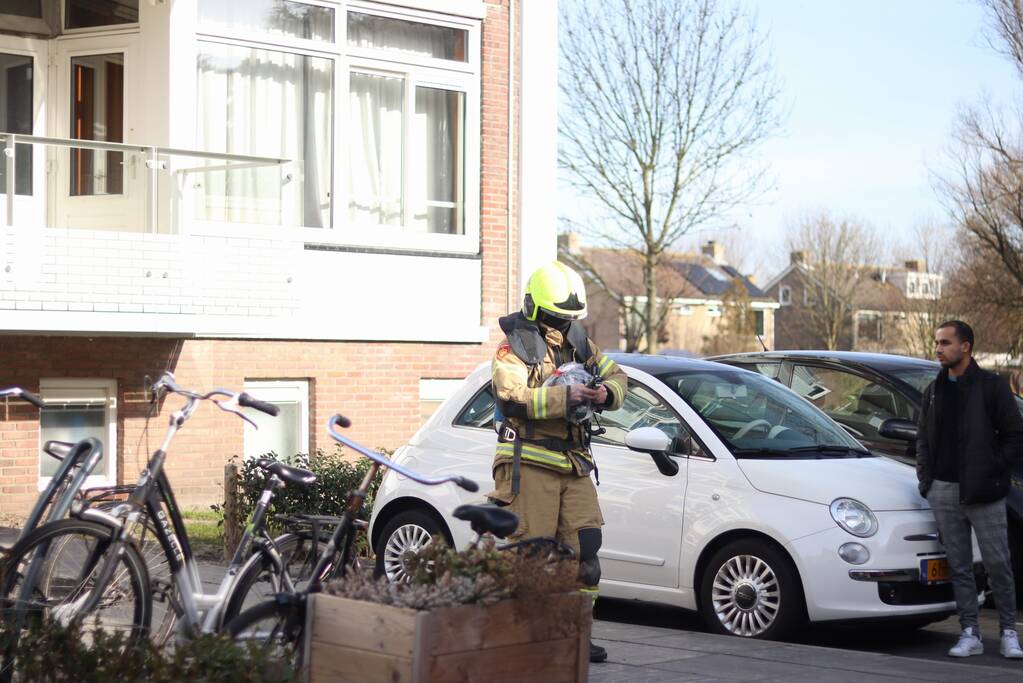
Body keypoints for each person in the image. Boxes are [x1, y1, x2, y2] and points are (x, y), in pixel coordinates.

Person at [487, 261, 627, 664]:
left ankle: (575, 636)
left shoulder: (578, 340)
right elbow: (510, 397)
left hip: (573, 462)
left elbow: (617, 376)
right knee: (531, 555)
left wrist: (606, 395)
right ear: (535, 309)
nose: (563, 326)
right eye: (556, 318)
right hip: (527, 462)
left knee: (586, 550)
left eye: (569, 319)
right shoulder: (513, 345)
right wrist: (568, 398)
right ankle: (520, 637)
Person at [916, 320, 1023, 659]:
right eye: (937, 343)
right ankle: (970, 633)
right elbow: (922, 439)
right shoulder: (933, 391)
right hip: (943, 490)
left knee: (998, 564)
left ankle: (1008, 632)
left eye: (945, 343)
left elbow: (1015, 435)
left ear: (965, 347)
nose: (938, 348)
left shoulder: (991, 386)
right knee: (959, 566)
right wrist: (927, 482)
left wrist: (993, 471)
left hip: (985, 491)